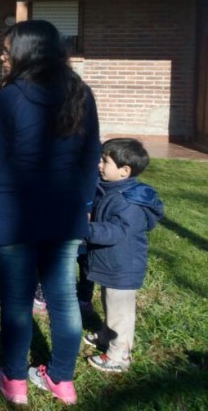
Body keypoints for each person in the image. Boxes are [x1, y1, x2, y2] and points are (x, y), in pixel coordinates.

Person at [0, 19, 100, 407]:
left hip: (15, 214)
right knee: (63, 297)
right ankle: (62, 379)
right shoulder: (81, 93)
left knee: (17, 301)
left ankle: (14, 381)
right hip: (64, 213)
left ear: (28, 52)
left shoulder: (11, 98)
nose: (4, 57)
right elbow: (90, 156)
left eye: (8, 51)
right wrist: (87, 203)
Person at [84, 138, 164, 373]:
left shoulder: (130, 202)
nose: (99, 164)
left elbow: (117, 231)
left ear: (124, 171)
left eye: (105, 161)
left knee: (121, 310)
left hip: (124, 265)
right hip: (112, 263)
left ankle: (120, 354)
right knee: (109, 301)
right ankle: (107, 335)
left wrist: (85, 230)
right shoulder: (111, 188)